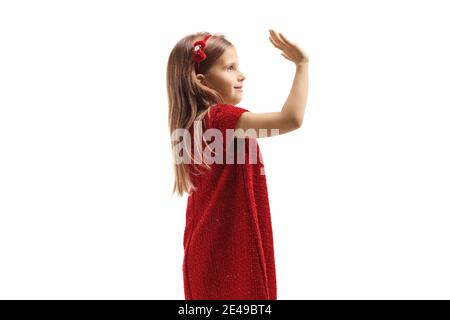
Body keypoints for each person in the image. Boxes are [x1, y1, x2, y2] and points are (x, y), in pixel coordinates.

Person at [166, 29, 309, 300]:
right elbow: (291, 119)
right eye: (230, 68)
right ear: (202, 81)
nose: (241, 75)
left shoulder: (195, 125)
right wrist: (302, 65)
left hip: (208, 252)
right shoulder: (221, 118)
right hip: (229, 254)